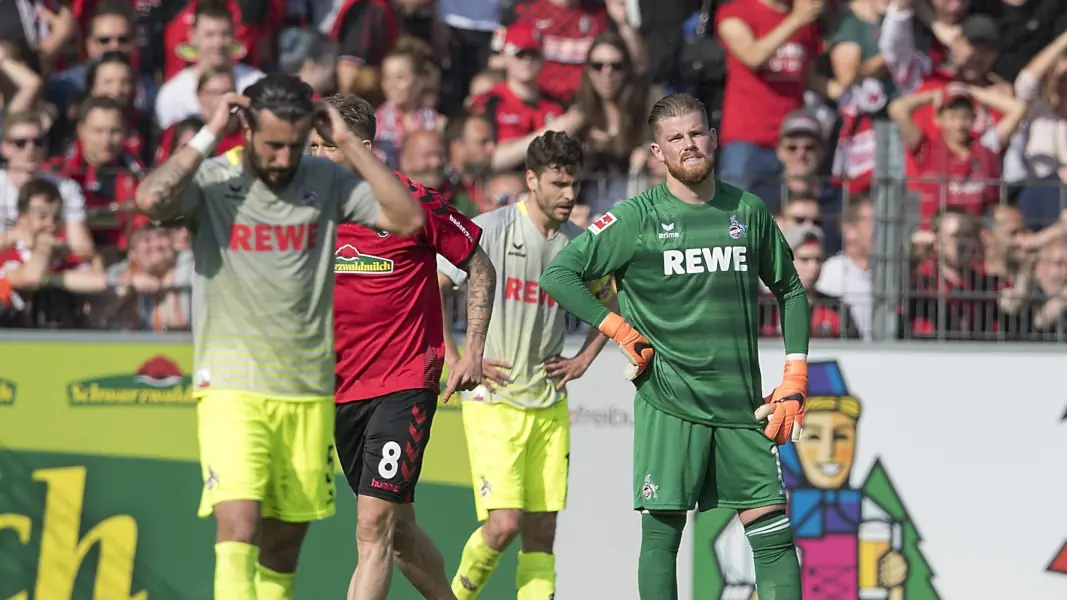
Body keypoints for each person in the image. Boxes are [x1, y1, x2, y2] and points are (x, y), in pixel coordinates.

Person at [134, 74, 425, 600]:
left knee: (283, 548)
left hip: (306, 392)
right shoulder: (215, 178)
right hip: (231, 386)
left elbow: (407, 218)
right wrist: (206, 134)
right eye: (271, 144)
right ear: (245, 128)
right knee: (239, 526)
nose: (282, 157)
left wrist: (350, 146)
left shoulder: (324, 178)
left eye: (294, 145)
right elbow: (150, 200)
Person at [539, 92, 810, 600]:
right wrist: (617, 328)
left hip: (742, 406)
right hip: (669, 403)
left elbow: (791, 290)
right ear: (657, 152)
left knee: (773, 538)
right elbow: (560, 274)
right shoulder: (634, 218)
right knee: (662, 538)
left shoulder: (747, 211)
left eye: (696, 132)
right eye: (676, 138)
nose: (689, 144)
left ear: (714, 137)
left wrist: (795, 374)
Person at [307, 93, 495, 600]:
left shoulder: (413, 203)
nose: (315, 157)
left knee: (371, 528)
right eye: (311, 147)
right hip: (341, 389)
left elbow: (480, 264)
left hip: (404, 384)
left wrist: (472, 348)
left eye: (326, 147)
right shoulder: (310, 211)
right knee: (401, 536)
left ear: (363, 147)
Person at [437, 131, 615, 600]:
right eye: (558, 183)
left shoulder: (580, 244)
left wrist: (583, 359)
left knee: (541, 532)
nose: (569, 194)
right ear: (531, 179)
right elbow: (433, 286)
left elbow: (614, 306)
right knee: (504, 524)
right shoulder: (490, 230)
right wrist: (455, 358)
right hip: (494, 401)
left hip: (549, 405)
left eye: (574, 183)